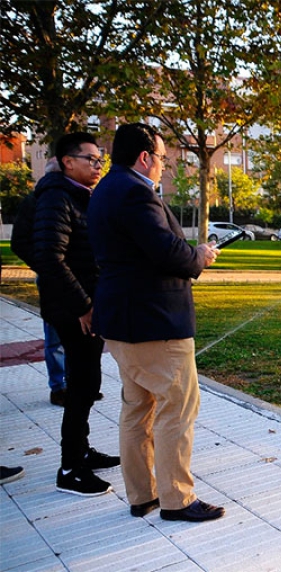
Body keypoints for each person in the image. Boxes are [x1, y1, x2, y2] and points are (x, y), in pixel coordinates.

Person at [88, 123, 224, 522]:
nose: (164, 166)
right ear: (145, 157)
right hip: (154, 322)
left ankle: (142, 494)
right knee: (177, 407)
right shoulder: (135, 193)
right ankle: (177, 499)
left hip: (122, 321)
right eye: (162, 158)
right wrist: (198, 254)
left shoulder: (105, 191)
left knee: (137, 406)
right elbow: (167, 253)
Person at [31, 132, 120, 497]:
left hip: (83, 305)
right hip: (75, 310)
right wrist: (82, 304)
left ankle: (81, 450)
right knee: (81, 385)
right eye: (91, 159)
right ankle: (70, 468)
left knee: (87, 385)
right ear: (68, 161)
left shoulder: (74, 195)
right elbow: (47, 255)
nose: (98, 166)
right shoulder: (56, 197)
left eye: (101, 161)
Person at [10, 158, 68, 407]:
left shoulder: (75, 198)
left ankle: (77, 385)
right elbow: (19, 242)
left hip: (78, 278)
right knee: (55, 335)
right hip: (52, 278)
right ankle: (59, 386)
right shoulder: (33, 202)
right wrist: (43, 264)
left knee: (78, 335)